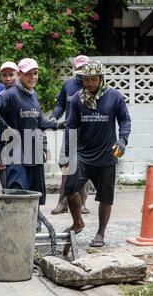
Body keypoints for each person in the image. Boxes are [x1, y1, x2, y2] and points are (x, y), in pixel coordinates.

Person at [0, 58, 66, 232]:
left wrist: (57, 125)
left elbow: (40, 121)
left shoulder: (33, 95)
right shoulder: (10, 94)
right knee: (17, 191)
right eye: (28, 74)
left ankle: (32, 224)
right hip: (15, 153)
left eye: (35, 73)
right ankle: (14, 228)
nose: (33, 77)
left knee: (35, 192)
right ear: (20, 75)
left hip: (34, 152)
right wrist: (7, 128)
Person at [64, 60, 131, 247]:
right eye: (86, 79)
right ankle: (78, 222)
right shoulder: (78, 98)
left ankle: (101, 233)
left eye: (93, 79)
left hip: (106, 155)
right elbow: (71, 126)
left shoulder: (115, 97)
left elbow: (125, 120)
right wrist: (68, 153)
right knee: (70, 188)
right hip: (83, 154)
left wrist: (123, 140)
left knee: (105, 196)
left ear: (101, 79)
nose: (90, 83)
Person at [50, 55, 91, 215]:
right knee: (66, 168)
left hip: (87, 134)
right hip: (70, 133)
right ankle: (62, 203)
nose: (82, 73)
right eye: (79, 69)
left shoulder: (93, 86)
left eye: (84, 69)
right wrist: (54, 116)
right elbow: (61, 104)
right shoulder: (68, 85)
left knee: (84, 169)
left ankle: (81, 204)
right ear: (75, 69)